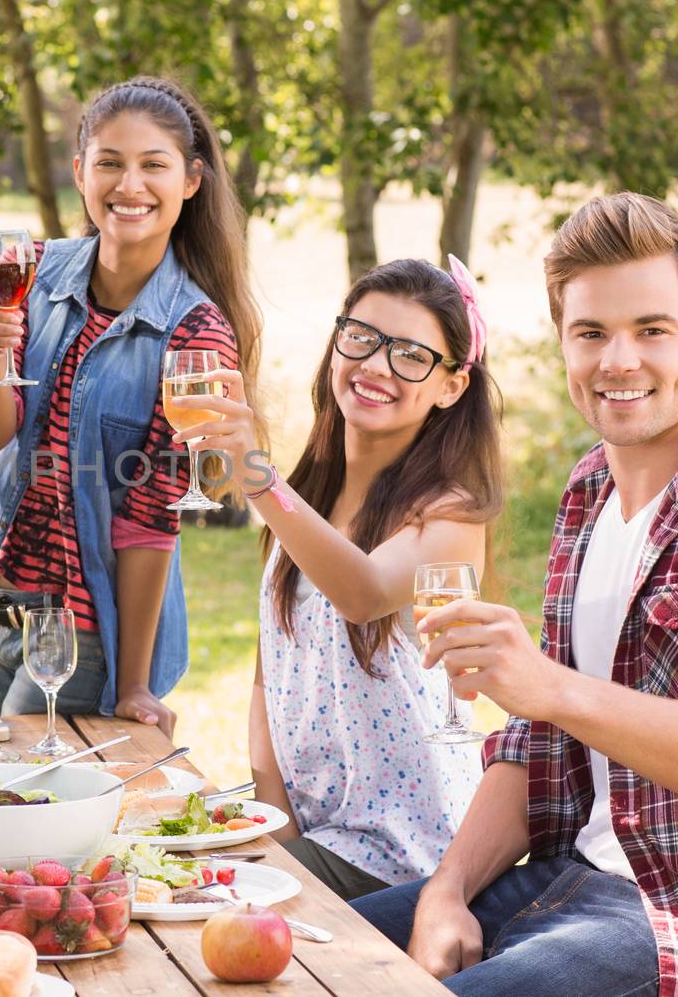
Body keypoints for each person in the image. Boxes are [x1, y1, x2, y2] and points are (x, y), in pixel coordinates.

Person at [352, 193, 678, 995]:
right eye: (591, 333)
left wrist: (554, 687)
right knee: (309, 953)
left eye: (651, 330)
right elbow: (536, 741)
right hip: (569, 873)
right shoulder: (588, 488)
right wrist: (446, 889)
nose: (618, 360)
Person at [175, 257, 503, 901]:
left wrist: (255, 475)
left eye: (411, 355)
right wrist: (275, 828)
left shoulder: (453, 514)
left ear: (451, 386)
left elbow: (362, 593)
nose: (377, 367)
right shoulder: (311, 500)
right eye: (362, 338)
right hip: (314, 832)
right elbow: (270, 674)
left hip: (403, 849)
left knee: (191, 912)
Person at [0, 76, 265, 733]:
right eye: (110, 163)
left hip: (81, 633)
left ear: (191, 180)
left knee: (25, 808)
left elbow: (151, 520)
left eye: (154, 166)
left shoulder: (195, 333)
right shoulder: (28, 269)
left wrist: (133, 681)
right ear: (80, 171)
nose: (130, 186)